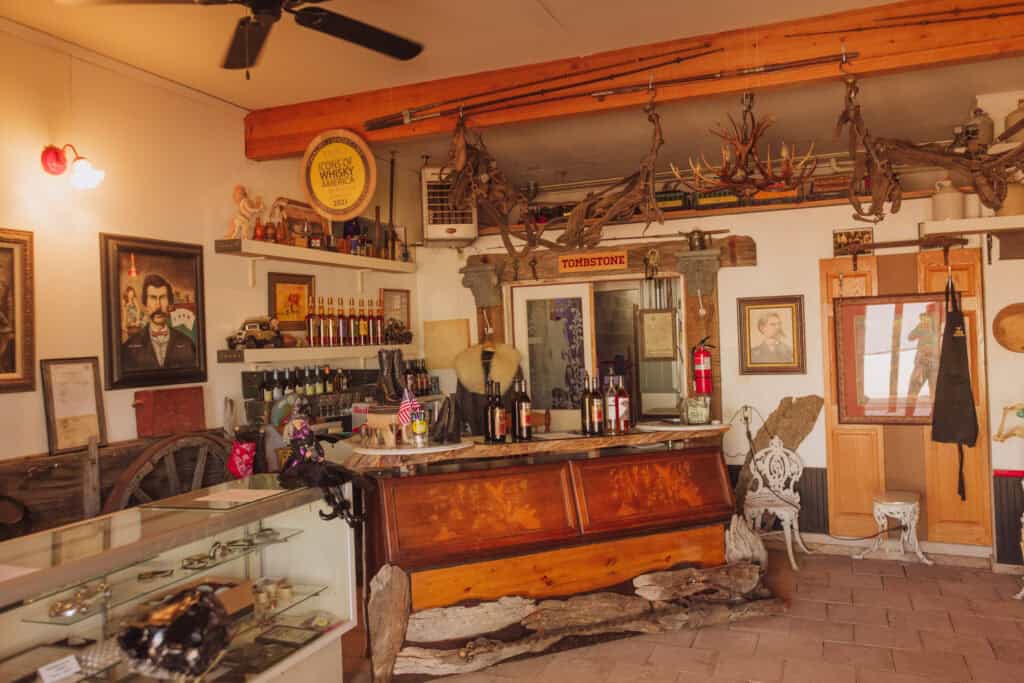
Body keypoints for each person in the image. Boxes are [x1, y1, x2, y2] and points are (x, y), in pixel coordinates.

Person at [121, 274, 196, 371]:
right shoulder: (128, 348)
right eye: (153, 298)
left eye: (163, 298)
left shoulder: (187, 343)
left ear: (169, 303)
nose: (158, 306)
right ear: (145, 304)